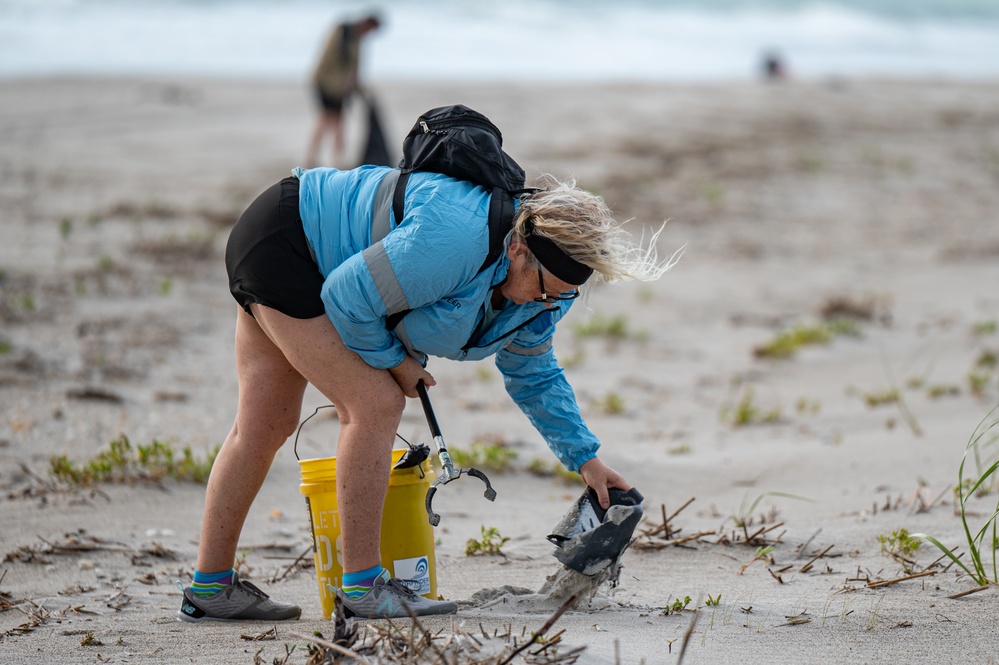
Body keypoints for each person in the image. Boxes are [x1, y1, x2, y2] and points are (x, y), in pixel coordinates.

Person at [177, 164, 677, 622]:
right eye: (546, 288)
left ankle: (210, 586)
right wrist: (395, 363)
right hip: (289, 240)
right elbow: (346, 298)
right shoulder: (453, 242)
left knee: (263, 426)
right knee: (374, 402)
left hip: (291, 244)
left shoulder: (549, 295)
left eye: (566, 294)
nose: (549, 303)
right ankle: (362, 588)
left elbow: (534, 375)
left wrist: (585, 459)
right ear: (519, 248)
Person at [305, 14, 381, 168]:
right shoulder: (343, 31)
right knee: (326, 120)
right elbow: (328, 58)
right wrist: (340, 82)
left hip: (340, 89)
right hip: (326, 84)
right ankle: (312, 159)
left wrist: (358, 88)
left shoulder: (357, 38)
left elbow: (355, 68)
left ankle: (337, 161)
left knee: (339, 123)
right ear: (368, 23)